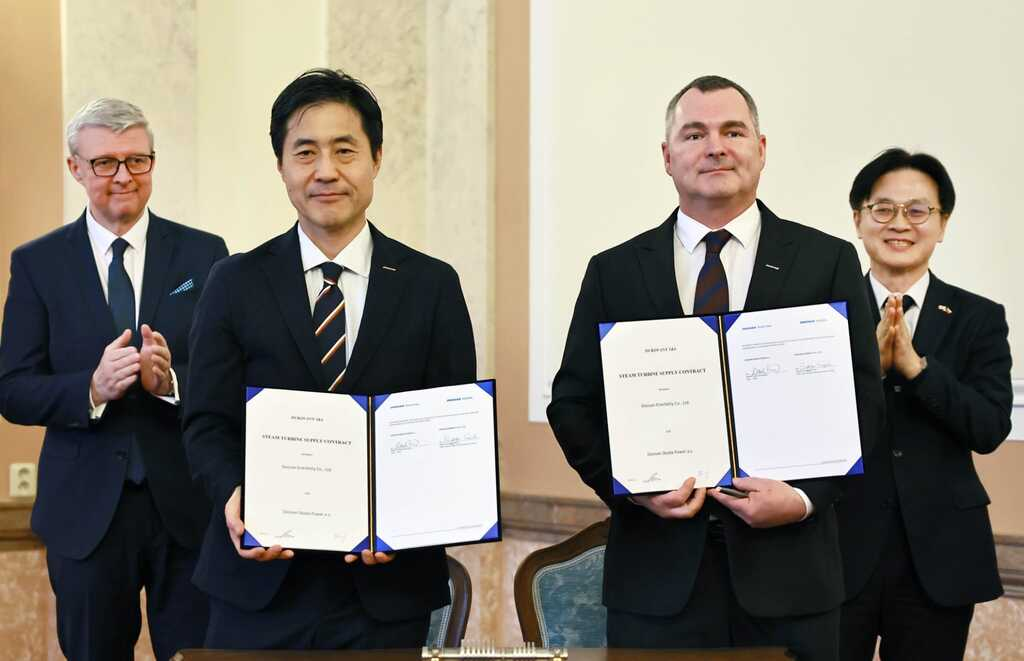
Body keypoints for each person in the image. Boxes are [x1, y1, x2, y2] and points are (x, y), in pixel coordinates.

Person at [546, 75, 884, 660]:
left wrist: (804, 499)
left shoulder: (826, 261)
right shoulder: (615, 271)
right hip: (657, 584)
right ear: (667, 156)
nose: (715, 147)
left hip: (792, 580)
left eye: (733, 131)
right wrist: (634, 490)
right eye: (695, 133)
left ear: (761, 148)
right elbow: (573, 404)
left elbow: (863, 401)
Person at [183, 68, 476, 649]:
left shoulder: (431, 284)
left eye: (345, 151)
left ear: (376, 159)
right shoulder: (233, 282)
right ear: (281, 166)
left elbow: (449, 430)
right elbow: (205, 423)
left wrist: (408, 517)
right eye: (305, 152)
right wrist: (233, 494)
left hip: (387, 590)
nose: (325, 171)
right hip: (258, 585)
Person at [0, 98, 228, 660]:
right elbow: (13, 387)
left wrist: (171, 381)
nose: (123, 175)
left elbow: (231, 381)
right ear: (76, 168)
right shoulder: (38, 263)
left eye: (137, 160)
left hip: (188, 511)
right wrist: (91, 389)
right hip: (85, 517)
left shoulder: (207, 255)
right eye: (105, 162)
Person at [837, 148, 1012, 660]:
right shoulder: (824, 312)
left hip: (939, 555)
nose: (900, 224)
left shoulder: (979, 318)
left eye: (918, 211)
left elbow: (989, 427)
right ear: (858, 218)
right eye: (883, 209)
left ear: (943, 223)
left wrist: (918, 369)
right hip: (837, 548)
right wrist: (868, 365)